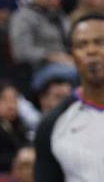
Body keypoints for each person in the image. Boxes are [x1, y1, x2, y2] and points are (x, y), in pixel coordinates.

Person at [34, 14, 104, 181]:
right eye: (81, 45)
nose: (91, 51)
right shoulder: (52, 124)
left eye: (100, 42)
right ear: (72, 56)